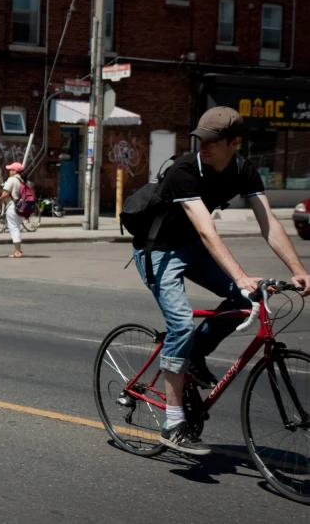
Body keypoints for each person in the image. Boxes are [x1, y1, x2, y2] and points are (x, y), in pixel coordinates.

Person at [132, 106, 310, 455]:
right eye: (200, 139)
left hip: (192, 248)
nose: (204, 147)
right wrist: (241, 275)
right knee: (182, 324)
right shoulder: (185, 169)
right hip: (158, 251)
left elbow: (268, 222)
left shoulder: (243, 170)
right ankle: (172, 422)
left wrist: (298, 269)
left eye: (213, 142)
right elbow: (206, 228)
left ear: (234, 143)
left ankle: (193, 357)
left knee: (248, 302)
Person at [0, 162, 26, 258]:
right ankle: (18, 249)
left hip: (13, 206)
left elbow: (6, 193)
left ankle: (18, 251)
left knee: (13, 228)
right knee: (17, 227)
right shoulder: (23, 179)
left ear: (15, 171)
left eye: (11, 169)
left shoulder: (12, 180)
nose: (9, 171)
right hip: (22, 206)